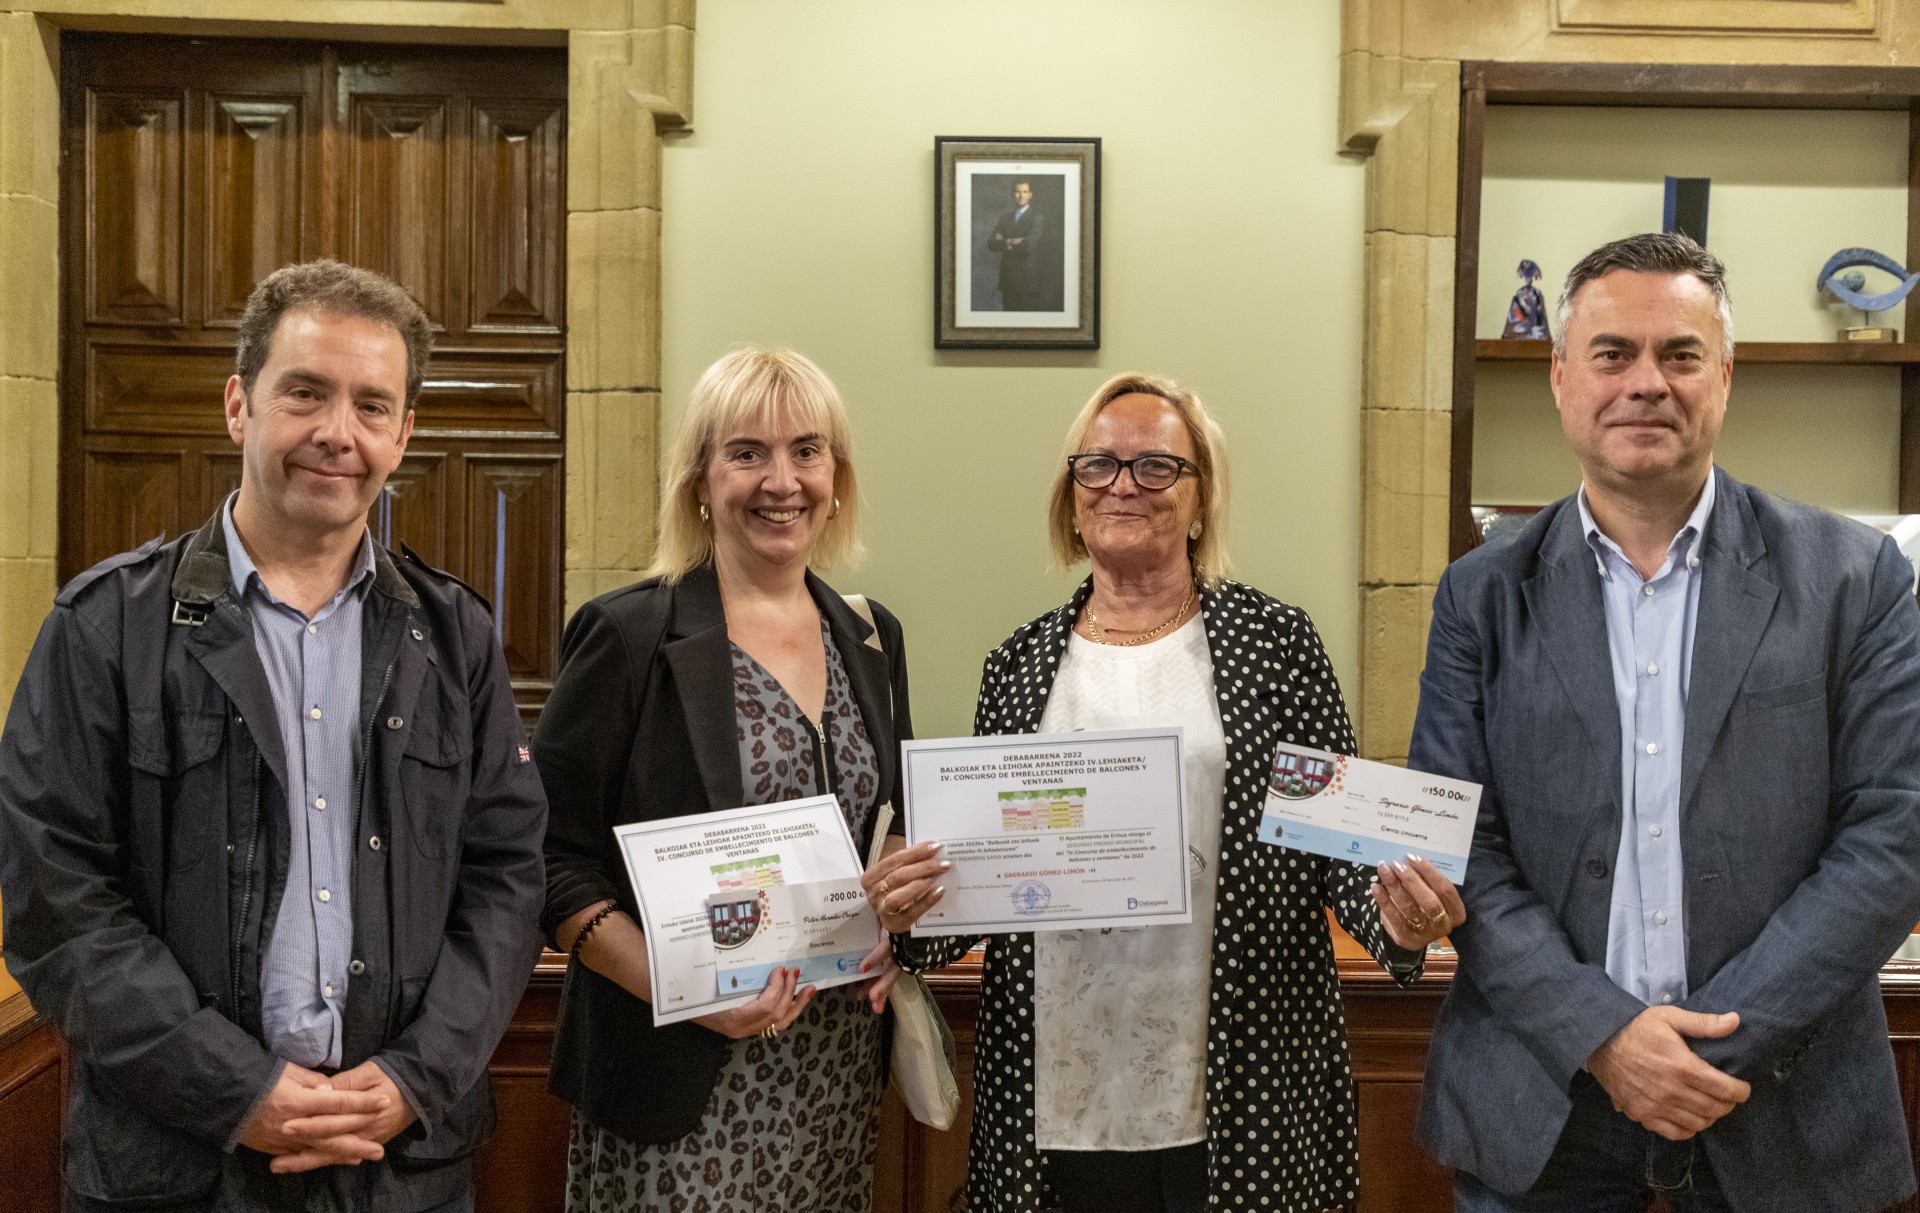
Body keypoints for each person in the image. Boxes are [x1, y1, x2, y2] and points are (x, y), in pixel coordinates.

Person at [0, 260, 548, 1212]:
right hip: (177, 1168)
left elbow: (506, 874)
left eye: (373, 406)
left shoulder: (454, 638)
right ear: (237, 406)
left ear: (404, 434)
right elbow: (60, 902)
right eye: (306, 392)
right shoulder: (104, 628)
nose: (339, 432)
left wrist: (418, 1077)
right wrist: (236, 1090)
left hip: (399, 1170)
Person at [1410, 232, 1920, 1213]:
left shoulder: (1856, 580)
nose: (1646, 381)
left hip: (1783, 1110)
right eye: (1612, 354)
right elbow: (1460, 838)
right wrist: (1604, 1035)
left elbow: (1895, 832)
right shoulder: (1481, 595)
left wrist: (1705, 1044)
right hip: (1543, 1114)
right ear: (1562, 380)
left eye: (1679, 354)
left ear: (1724, 378)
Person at [873, 372, 1463, 1213]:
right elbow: (986, 871)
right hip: (1058, 1081)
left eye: (1157, 466)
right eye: (1099, 466)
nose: (1123, 484)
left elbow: (1340, 847)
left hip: (1240, 1078)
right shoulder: (1019, 664)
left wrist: (1399, 921)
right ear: (1071, 499)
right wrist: (914, 910)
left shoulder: (1276, 645)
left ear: (1200, 499)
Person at [536, 347, 920, 1212]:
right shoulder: (627, 635)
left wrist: (893, 898)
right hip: (678, 1082)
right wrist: (689, 995)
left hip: (831, 1077)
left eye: (806, 451)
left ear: (837, 476)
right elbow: (547, 859)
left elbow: (887, 814)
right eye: (746, 452)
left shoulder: (870, 636)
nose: (781, 480)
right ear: (700, 481)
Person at [988, 178, 1047, 310]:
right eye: (1017, 191)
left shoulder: (1037, 218)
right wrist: (1010, 241)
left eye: (1025, 192)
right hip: (1007, 279)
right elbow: (991, 244)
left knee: (1027, 324)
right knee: (1008, 324)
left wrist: (1003, 241)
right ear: (1013, 194)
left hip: (1027, 281)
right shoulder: (1005, 218)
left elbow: (1028, 246)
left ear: (1030, 195)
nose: (1021, 195)